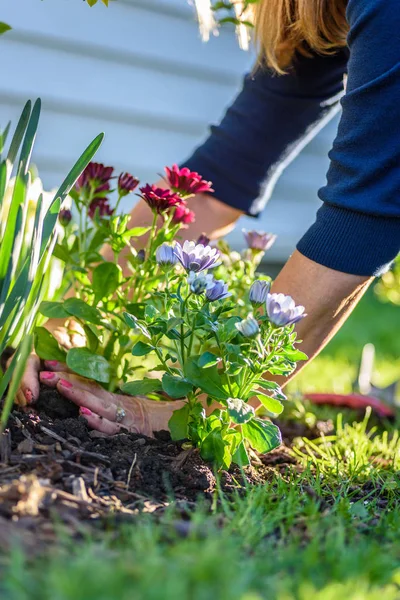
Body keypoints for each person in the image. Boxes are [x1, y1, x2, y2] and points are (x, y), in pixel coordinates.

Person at [18, 0, 400, 435]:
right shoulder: (310, 10)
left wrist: (206, 409)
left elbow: (365, 214)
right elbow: (217, 179)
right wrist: (62, 328)